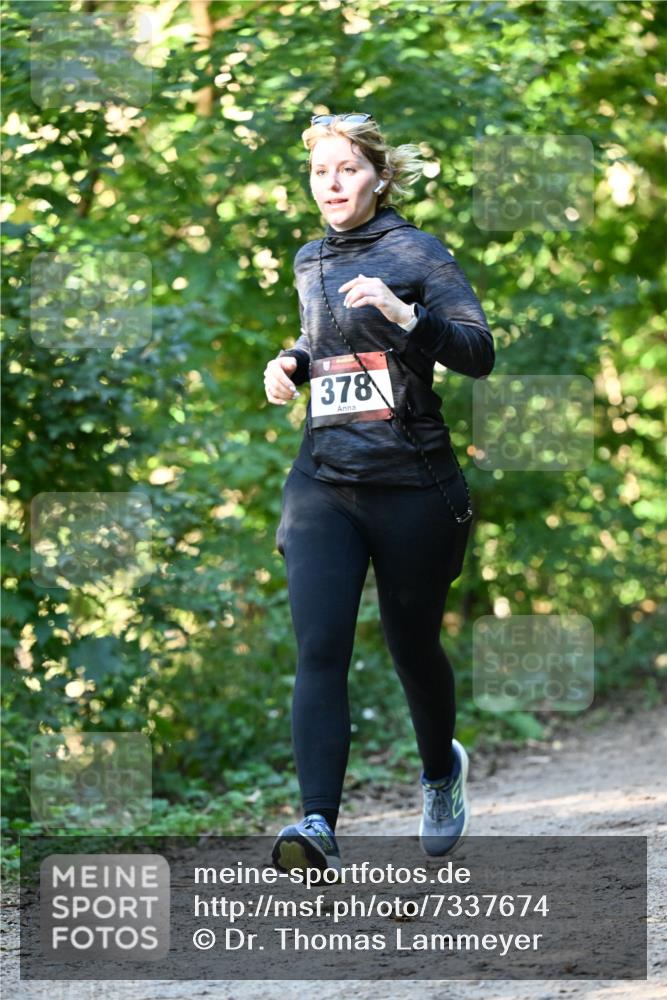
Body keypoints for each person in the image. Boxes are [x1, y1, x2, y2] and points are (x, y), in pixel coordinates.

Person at [264, 113, 494, 879]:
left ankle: (439, 772)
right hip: (323, 480)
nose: (330, 185)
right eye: (319, 173)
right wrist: (290, 362)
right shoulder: (309, 257)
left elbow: (477, 353)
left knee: (410, 645)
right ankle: (318, 825)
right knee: (320, 646)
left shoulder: (416, 251)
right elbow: (321, 340)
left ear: (377, 178)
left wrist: (406, 316)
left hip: (412, 484)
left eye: (346, 171)